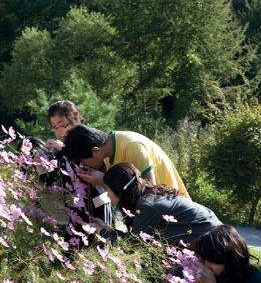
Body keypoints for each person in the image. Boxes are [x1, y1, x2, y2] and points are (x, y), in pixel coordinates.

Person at [85, 163, 219, 245]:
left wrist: (102, 232)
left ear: (120, 191)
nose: (107, 195)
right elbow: (137, 239)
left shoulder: (146, 206)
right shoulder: (145, 197)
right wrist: (107, 229)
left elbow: (133, 246)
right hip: (205, 230)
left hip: (208, 237)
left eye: (108, 190)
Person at [63, 124, 191, 199]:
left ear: (96, 151)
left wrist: (105, 180)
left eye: (83, 161)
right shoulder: (107, 155)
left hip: (174, 209)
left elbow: (149, 188)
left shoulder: (131, 145)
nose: (84, 165)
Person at [44, 101, 113, 239]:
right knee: (73, 250)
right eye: (54, 127)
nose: (59, 132)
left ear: (75, 119)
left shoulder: (88, 138)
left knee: (103, 243)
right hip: (76, 207)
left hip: (100, 201)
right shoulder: (59, 150)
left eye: (62, 125)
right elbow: (50, 181)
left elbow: (102, 172)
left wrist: (65, 148)